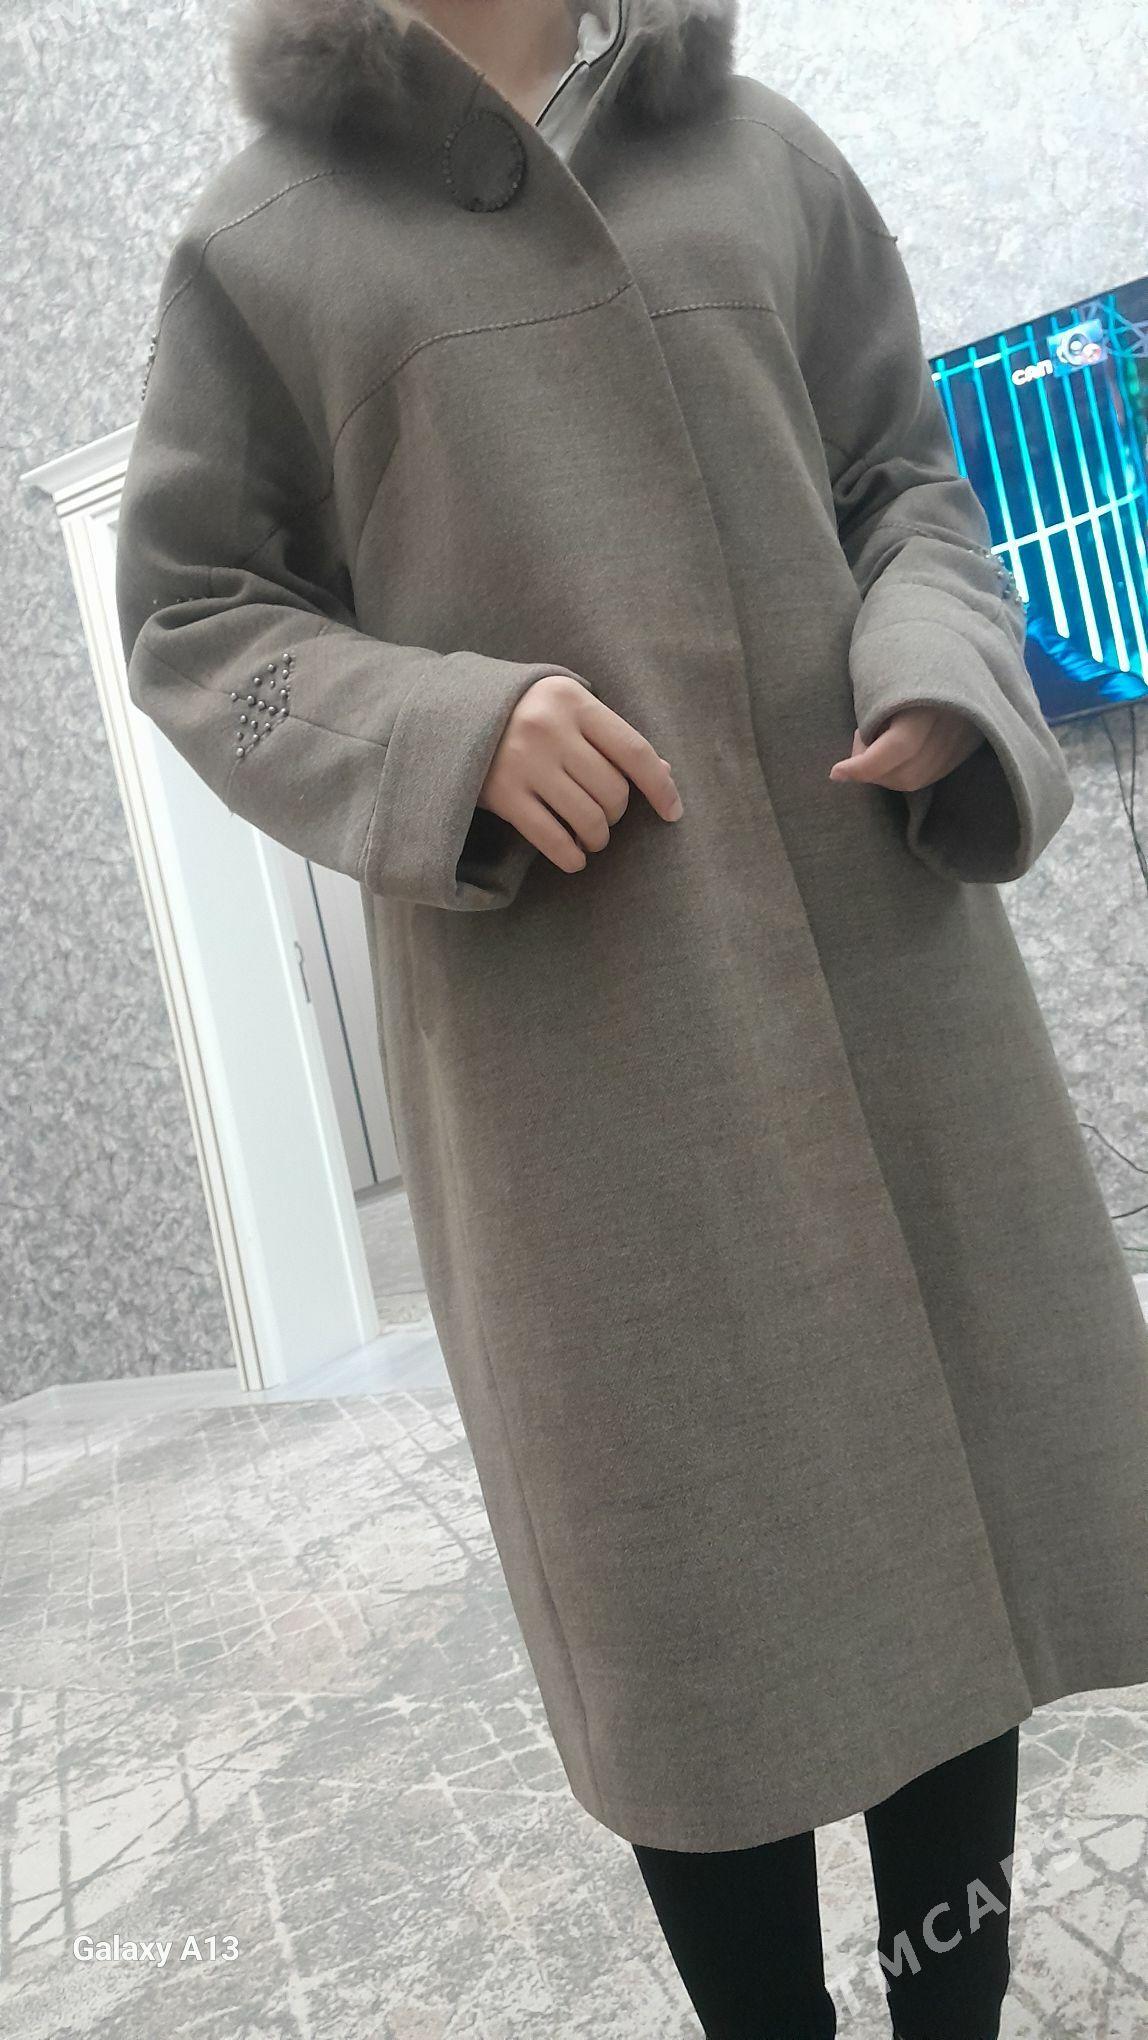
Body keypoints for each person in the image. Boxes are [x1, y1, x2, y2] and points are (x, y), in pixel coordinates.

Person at [114, 2, 1148, 2033]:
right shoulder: (264, 245)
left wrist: (938, 653)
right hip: (571, 1052)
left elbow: (902, 479)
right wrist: (445, 728)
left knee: (951, 1528)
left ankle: (950, 2006)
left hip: (883, 969)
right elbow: (194, 613)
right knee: (682, 1595)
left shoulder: (760, 155)